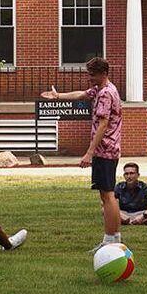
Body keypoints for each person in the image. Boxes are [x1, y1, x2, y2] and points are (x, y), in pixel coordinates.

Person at [42, 56, 124, 246]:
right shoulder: (103, 89)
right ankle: (112, 238)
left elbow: (103, 125)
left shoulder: (105, 94)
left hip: (105, 150)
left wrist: (89, 152)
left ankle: (111, 240)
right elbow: (82, 94)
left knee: (108, 194)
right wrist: (58, 96)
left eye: (92, 75)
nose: (90, 78)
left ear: (104, 73)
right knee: (105, 194)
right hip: (109, 149)